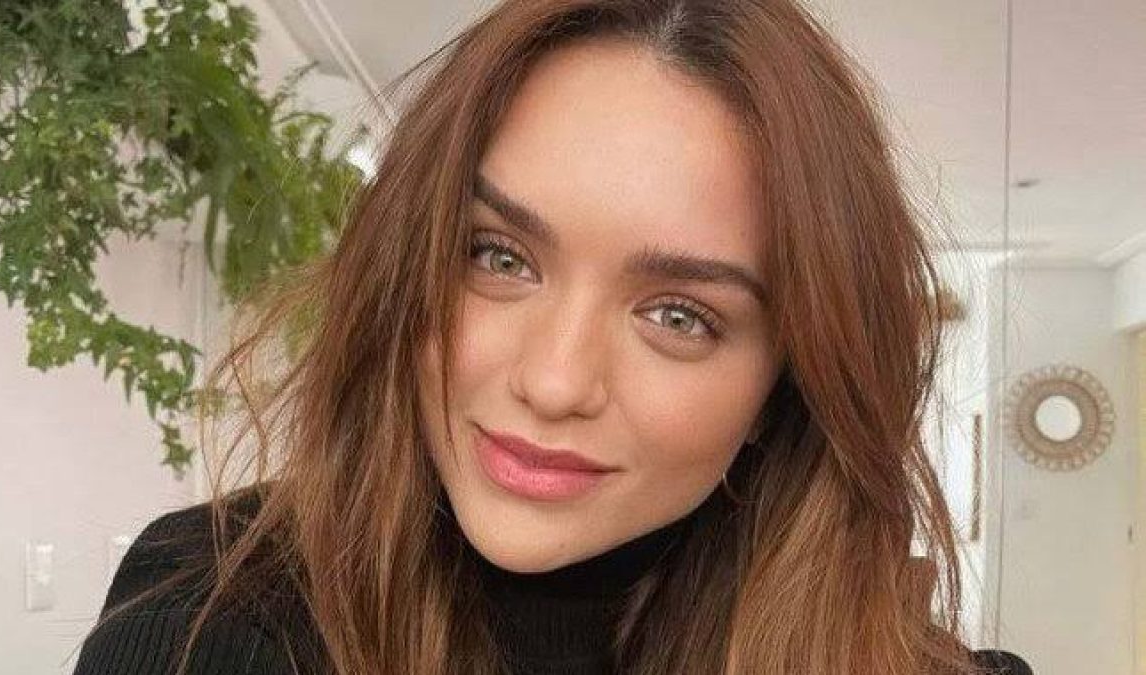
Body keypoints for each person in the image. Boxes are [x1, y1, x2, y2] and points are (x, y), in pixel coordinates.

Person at [72, 0, 1030, 673]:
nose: (556, 380)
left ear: (783, 389)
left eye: (679, 316)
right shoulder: (210, 613)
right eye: (499, 257)